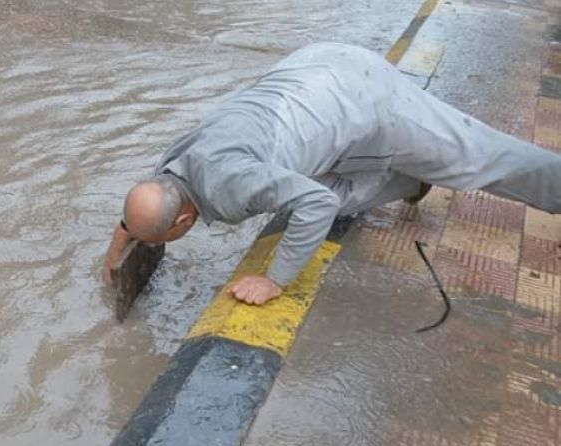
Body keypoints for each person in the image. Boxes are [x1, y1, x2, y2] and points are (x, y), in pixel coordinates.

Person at [102, 42, 561, 306]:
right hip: (315, 68)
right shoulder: (172, 165)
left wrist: (275, 279)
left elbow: (315, 204)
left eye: (158, 238)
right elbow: (145, 203)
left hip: (361, 99)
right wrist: (121, 239)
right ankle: (408, 180)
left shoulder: (231, 183)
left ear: (182, 222)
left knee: (482, 158)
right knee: (317, 189)